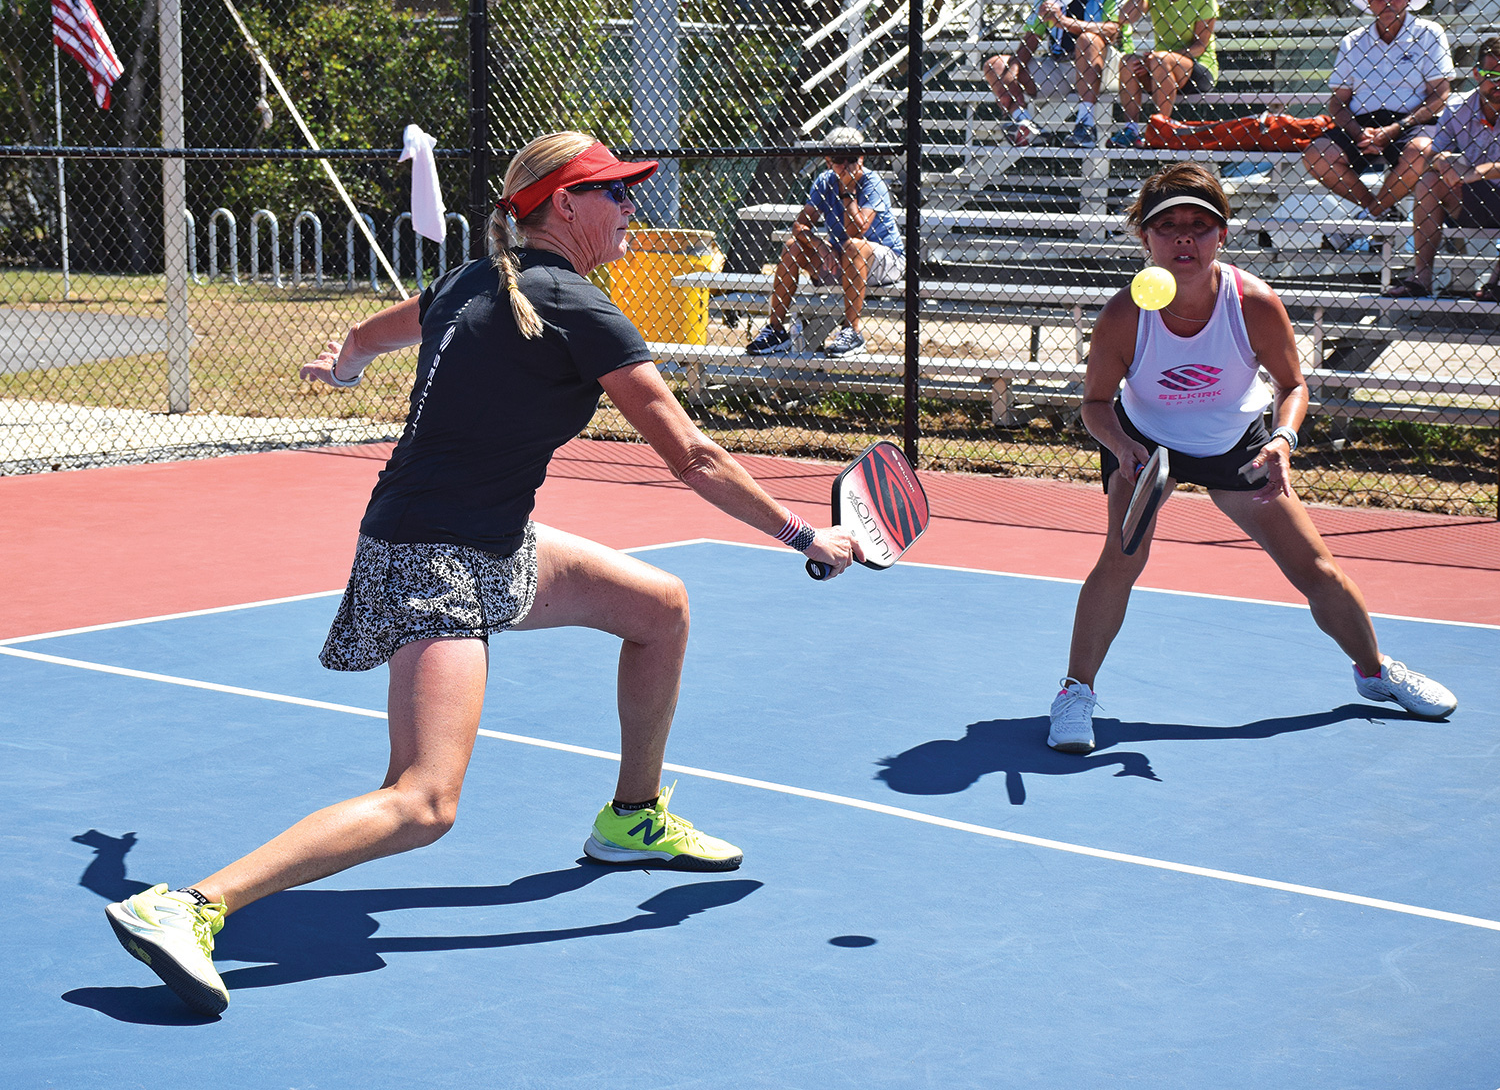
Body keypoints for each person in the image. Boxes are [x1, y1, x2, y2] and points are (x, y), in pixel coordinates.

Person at [103, 131, 863, 1017]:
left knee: (660, 607)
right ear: (563, 206)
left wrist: (343, 366)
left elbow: (365, 332)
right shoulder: (579, 309)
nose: (630, 207)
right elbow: (690, 455)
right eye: (613, 193)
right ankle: (188, 906)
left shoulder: (472, 281)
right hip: (435, 556)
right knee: (424, 801)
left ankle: (631, 819)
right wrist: (805, 532)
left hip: (488, 539)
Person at [1046, 161, 1456, 756]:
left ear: (1223, 235)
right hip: (1144, 446)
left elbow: (1293, 386)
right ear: (1145, 237)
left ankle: (1374, 673)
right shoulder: (1124, 314)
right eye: (1168, 226)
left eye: (1200, 225)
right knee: (1119, 563)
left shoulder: (1254, 303)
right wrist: (1122, 447)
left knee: (1314, 569)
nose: (1184, 238)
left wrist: (1283, 439)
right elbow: (1095, 403)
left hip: (1237, 443)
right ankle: (1075, 693)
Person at [1301, 0, 1452, 234]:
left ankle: (1374, 212)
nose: (1388, 1)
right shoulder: (1353, 40)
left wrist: (1395, 129)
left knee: (1421, 152)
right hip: (1361, 123)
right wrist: (1358, 132)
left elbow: (1440, 94)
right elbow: (1337, 101)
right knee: (1316, 155)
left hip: (1411, 121)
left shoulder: (1430, 33)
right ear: (1370, 1)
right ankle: (1380, 209)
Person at [745, 126, 904, 358]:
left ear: (862, 157)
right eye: (840, 159)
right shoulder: (824, 180)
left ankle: (852, 332)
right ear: (828, 160)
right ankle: (776, 331)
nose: (848, 165)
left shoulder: (872, 181)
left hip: (885, 260)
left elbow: (857, 231)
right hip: (843, 257)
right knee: (793, 246)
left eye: (854, 157)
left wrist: (848, 192)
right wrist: (819, 244)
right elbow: (799, 226)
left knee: (853, 247)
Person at [982, 0, 1133, 149]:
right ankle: (1023, 124)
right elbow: (1032, 36)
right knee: (995, 65)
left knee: (1087, 39)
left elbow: (1114, 30)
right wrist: (1013, 68)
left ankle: (1086, 125)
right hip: (1060, 64)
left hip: (1107, 66)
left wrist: (1065, 22)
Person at [1387, 37, 1500, 301]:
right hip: (1473, 196)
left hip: (1480, 181)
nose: (1498, 82)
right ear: (1476, 73)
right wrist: (1444, 161)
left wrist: (1478, 171)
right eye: (1492, 74)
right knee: (1428, 180)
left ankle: (1496, 281)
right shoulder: (1458, 107)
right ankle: (1421, 277)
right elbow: (1435, 151)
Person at [1110, 0, 1218, 149]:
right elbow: (1124, 18)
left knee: (1160, 59)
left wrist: (1163, 58)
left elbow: (1200, 47)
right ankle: (1132, 130)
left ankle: (1161, 130)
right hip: (1162, 69)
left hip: (1199, 68)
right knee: (1127, 61)